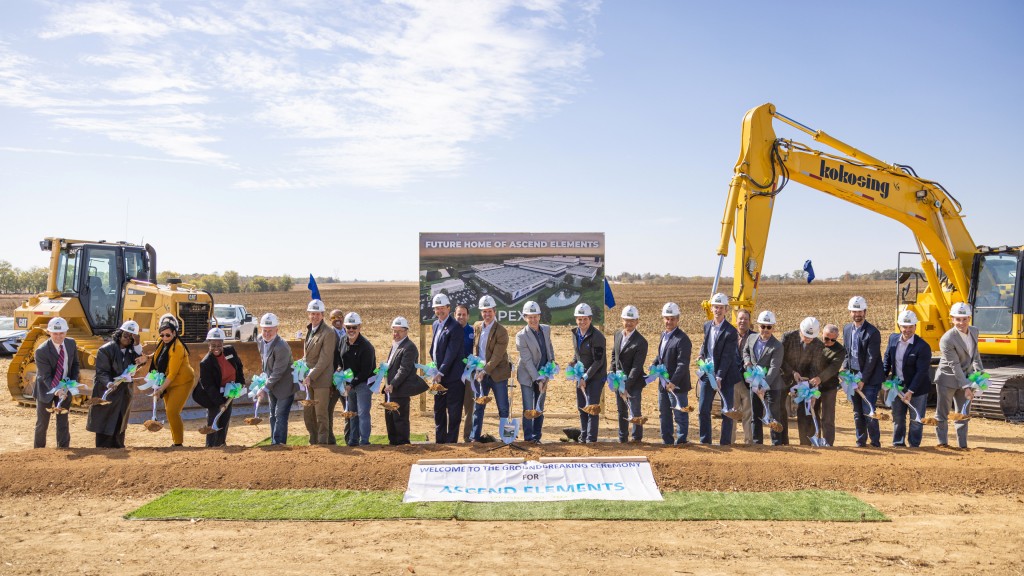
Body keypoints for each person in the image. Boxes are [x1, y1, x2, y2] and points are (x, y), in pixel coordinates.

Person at [87, 320, 146, 448]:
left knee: (120, 420)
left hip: (123, 393)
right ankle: (103, 449)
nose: (128, 339)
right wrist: (109, 384)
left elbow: (138, 362)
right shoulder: (106, 350)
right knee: (105, 421)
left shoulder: (132, 350)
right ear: (119, 334)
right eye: (126, 335)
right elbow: (102, 372)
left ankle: (118, 448)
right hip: (108, 391)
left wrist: (137, 343)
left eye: (132, 337)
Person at [934, 302, 983, 448]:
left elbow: (976, 355)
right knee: (942, 413)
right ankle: (942, 444)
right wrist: (966, 386)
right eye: (958, 319)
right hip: (947, 378)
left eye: (964, 319)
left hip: (965, 377)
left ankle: (962, 445)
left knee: (963, 412)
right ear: (952, 319)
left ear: (969, 318)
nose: (961, 323)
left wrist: (980, 375)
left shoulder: (974, 331)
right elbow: (954, 365)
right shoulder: (947, 339)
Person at [882, 310, 932, 447]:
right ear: (899, 326)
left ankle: (914, 446)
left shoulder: (923, 347)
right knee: (898, 418)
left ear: (915, 326)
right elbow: (887, 360)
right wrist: (882, 377)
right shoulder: (893, 339)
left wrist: (910, 391)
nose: (907, 330)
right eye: (904, 326)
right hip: (897, 386)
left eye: (911, 327)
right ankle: (898, 444)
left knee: (916, 419)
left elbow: (921, 372)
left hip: (917, 389)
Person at [697, 293, 740, 445]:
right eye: (716, 307)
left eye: (721, 308)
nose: (718, 310)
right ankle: (705, 441)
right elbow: (705, 346)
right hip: (708, 374)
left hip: (726, 377)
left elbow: (728, 357)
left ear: (726, 310)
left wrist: (720, 377)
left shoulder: (731, 331)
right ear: (712, 308)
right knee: (703, 409)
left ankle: (725, 443)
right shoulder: (707, 326)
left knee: (727, 411)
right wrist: (701, 356)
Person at [193, 327, 245, 447]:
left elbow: (239, 366)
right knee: (214, 419)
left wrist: (241, 382)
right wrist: (219, 403)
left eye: (219, 345)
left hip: (230, 391)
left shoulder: (230, 351)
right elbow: (208, 386)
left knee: (225, 419)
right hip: (213, 395)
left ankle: (221, 443)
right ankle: (211, 446)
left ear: (223, 343)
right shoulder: (206, 363)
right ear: (208, 345)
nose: (216, 348)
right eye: (213, 345)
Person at [842, 296, 883, 447]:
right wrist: (846, 370)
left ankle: (875, 443)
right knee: (857, 412)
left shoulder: (872, 332)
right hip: (853, 378)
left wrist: (863, 380)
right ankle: (860, 441)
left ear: (865, 312)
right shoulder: (847, 329)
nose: (857, 314)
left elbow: (872, 359)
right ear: (850, 312)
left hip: (869, 379)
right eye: (854, 311)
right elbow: (847, 353)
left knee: (869, 411)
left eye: (860, 311)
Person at [33, 317, 81, 448]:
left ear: (66, 332)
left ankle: (63, 449)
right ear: (49, 332)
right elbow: (45, 376)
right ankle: (38, 452)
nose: (59, 336)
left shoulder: (71, 344)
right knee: (42, 423)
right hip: (46, 389)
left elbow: (75, 365)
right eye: (55, 333)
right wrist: (57, 390)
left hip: (65, 387)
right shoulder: (41, 351)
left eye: (62, 333)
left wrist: (71, 383)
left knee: (63, 421)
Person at [470, 296, 512, 442]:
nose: (487, 314)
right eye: (484, 311)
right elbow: (476, 349)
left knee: (503, 407)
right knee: (479, 406)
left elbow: (497, 356)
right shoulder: (477, 326)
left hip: (497, 374)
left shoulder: (501, 331)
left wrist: (484, 371)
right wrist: (475, 366)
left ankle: (506, 437)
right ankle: (475, 437)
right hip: (480, 373)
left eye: (489, 311)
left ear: (495, 311)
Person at [382, 317, 429, 445]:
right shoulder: (396, 345)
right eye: (394, 330)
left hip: (400, 390)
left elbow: (404, 369)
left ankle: (403, 446)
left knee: (400, 420)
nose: (396, 334)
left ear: (406, 331)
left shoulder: (409, 347)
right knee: (390, 420)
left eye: (399, 331)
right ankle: (393, 445)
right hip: (390, 390)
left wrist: (393, 384)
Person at [149, 315, 195, 447]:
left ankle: (178, 443)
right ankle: (175, 441)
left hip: (182, 382)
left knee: (172, 411)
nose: (164, 338)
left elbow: (173, 373)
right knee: (170, 411)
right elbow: (160, 354)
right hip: (168, 381)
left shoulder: (178, 347)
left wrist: (161, 389)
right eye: (162, 335)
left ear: (175, 333)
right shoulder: (163, 342)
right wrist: (147, 357)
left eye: (167, 335)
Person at [515, 301, 555, 443]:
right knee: (528, 407)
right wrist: (537, 379)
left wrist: (551, 363)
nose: (533, 320)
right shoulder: (521, 336)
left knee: (539, 406)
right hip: (527, 375)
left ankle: (537, 437)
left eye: (535, 316)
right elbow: (527, 361)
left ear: (539, 316)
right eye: (529, 317)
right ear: (525, 317)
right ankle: (528, 438)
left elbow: (549, 347)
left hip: (543, 374)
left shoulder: (546, 329)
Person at [743, 311, 784, 445]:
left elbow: (774, 368)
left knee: (773, 416)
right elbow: (745, 352)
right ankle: (757, 443)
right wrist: (747, 361)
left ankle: (776, 444)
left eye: (769, 327)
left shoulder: (777, 346)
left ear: (773, 327)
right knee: (756, 415)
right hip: (754, 383)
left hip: (772, 386)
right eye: (763, 326)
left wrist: (764, 385)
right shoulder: (751, 339)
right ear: (758, 326)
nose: (765, 330)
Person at [782, 317, 825, 446]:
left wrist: (811, 387)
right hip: (786, 377)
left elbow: (815, 367)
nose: (807, 339)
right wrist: (793, 372)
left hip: (805, 382)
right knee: (780, 407)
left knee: (805, 411)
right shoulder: (788, 337)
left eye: (810, 338)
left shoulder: (818, 345)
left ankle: (805, 443)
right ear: (800, 330)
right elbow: (781, 359)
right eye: (805, 336)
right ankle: (781, 442)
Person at [429, 293, 465, 443]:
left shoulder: (455, 327)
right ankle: (440, 441)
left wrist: (441, 371)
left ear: (449, 308)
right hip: (439, 377)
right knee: (439, 410)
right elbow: (435, 349)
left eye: (442, 308)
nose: (439, 311)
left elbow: (451, 352)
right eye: (437, 308)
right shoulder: (436, 324)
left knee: (454, 411)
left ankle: (452, 442)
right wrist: (434, 368)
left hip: (453, 377)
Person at [654, 302, 692, 445]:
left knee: (680, 414)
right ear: (663, 318)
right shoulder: (663, 335)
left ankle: (681, 441)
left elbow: (683, 364)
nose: (669, 321)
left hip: (677, 385)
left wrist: (673, 382)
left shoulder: (682, 339)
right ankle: (667, 441)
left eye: (672, 319)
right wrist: (654, 364)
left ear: (678, 319)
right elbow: (661, 356)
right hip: (663, 383)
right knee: (664, 414)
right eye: (666, 318)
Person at [301, 299, 338, 445]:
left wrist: (311, 375)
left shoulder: (328, 333)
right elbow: (307, 355)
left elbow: (325, 359)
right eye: (312, 313)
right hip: (308, 379)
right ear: (308, 314)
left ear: (322, 315)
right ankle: (313, 441)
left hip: (321, 380)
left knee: (321, 414)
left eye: (317, 314)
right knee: (308, 414)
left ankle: (323, 443)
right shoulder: (309, 330)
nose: (314, 316)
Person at [611, 305, 649, 443]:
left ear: (637, 321)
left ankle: (637, 439)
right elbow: (614, 355)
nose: (628, 323)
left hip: (634, 383)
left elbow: (636, 368)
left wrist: (626, 386)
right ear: (622, 320)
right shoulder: (617, 334)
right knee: (621, 411)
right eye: (626, 320)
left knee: (635, 411)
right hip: (618, 380)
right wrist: (612, 372)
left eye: (632, 320)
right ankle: (622, 438)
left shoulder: (641, 342)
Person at [256, 313, 295, 446]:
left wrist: (265, 388)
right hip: (271, 385)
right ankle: (274, 441)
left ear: (276, 330)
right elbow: (264, 362)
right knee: (272, 415)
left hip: (285, 386)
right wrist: (263, 382)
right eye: (264, 330)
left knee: (280, 415)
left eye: (270, 330)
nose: (267, 333)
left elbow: (278, 372)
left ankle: (279, 443)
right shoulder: (260, 340)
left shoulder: (281, 346)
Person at [339, 311, 376, 446]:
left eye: (354, 327)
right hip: (349, 383)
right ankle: (353, 440)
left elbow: (366, 371)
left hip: (363, 384)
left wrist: (352, 383)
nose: (351, 330)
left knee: (362, 412)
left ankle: (364, 441)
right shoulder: (342, 341)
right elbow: (340, 358)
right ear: (345, 327)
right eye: (348, 327)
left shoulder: (366, 347)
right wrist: (339, 370)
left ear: (360, 327)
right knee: (352, 413)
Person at [571, 302, 607, 443]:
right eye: (579, 319)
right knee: (582, 407)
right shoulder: (575, 333)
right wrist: (573, 362)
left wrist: (585, 377)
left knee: (592, 408)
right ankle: (583, 437)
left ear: (590, 319)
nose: (582, 322)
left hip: (595, 377)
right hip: (581, 376)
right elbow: (578, 354)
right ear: (576, 319)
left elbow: (598, 361)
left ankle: (591, 440)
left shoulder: (597, 336)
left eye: (585, 319)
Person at [817, 324, 847, 447]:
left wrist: (819, 378)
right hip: (813, 386)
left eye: (832, 340)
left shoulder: (840, 350)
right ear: (822, 335)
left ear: (837, 338)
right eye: (826, 338)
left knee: (828, 417)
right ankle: (814, 440)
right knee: (813, 413)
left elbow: (833, 368)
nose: (829, 342)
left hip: (829, 387)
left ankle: (828, 443)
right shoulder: (816, 345)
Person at [732, 309, 754, 444]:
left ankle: (749, 442)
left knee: (748, 413)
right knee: (732, 413)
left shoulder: (755, 337)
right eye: (740, 318)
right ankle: (730, 442)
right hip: (732, 380)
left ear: (749, 321)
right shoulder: (729, 335)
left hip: (748, 382)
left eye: (746, 319)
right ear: (736, 320)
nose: (742, 321)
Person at [455, 304, 475, 442]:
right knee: (454, 407)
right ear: (455, 315)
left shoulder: (474, 331)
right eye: (459, 314)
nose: (461, 317)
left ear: (468, 316)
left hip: (469, 375)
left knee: (470, 406)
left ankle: (467, 436)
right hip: (453, 375)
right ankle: (452, 437)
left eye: (464, 314)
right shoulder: (450, 331)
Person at [329, 309, 349, 444]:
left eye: (340, 317)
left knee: (348, 408)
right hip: (332, 379)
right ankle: (330, 439)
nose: (338, 319)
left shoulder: (349, 332)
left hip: (346, 379)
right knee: (328, 409)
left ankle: (350, 438)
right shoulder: (328, 334)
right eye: (334, 318)